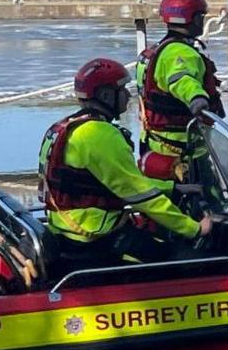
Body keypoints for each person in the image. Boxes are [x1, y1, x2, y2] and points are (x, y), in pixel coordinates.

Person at [39, 57, 206, 275]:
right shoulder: (98, 135)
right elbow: (140, 196)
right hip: (97, 238)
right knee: (183, 262)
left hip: (68, 232)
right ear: (106, 95)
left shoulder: (64, 127)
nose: (128, 96)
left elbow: (115, 182)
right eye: (122, 90)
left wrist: (172, 188)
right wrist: (194, 229)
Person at [138, 0, 223, 181]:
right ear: (194, 19)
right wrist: (197, 98)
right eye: (201, 16)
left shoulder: (155, 52)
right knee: (208, 199)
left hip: (155, 146)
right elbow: (181, 79)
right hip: (183, 151)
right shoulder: (181, 54)